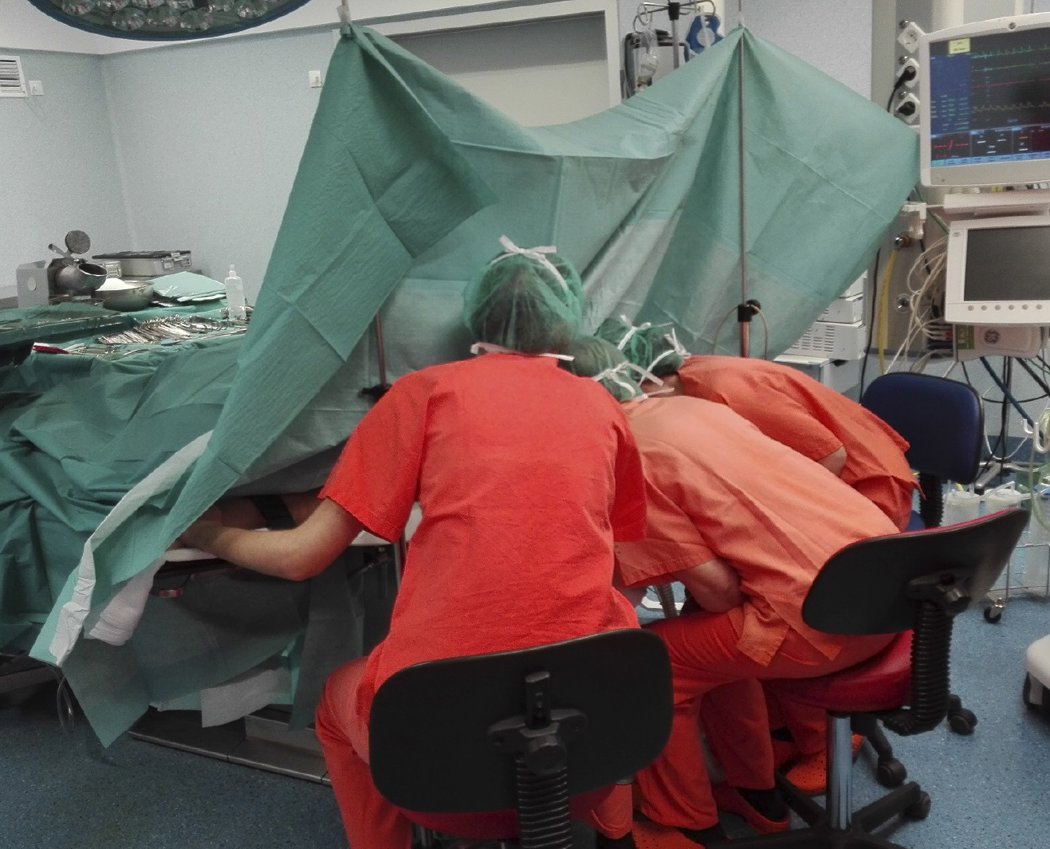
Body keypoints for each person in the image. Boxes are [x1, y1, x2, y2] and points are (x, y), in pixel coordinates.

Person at [181, 240, 648, 849]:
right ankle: (619, 837)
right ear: (567, 318)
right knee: (603, 650)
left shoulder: (424, 394)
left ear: (477, 319)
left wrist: (207, 530)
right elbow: (615, 567)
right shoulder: (604, 406)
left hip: (436, 775)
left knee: (336, 704)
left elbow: (301, 557)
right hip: (588, 766)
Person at [560, 336, 898, 848]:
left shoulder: (629, 456)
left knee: (649, 664)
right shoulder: (696, 408)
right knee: (704, 638)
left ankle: (685, 824)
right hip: (888, 590)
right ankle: (755, 794)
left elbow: (721, 594)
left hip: (820, 624)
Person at [596, 318, 916, 532]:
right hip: (831, 486)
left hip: (868, 489)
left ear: (644, 379)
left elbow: (831, 456)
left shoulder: (729, 390)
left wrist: (777, 515)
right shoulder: (690, 378)